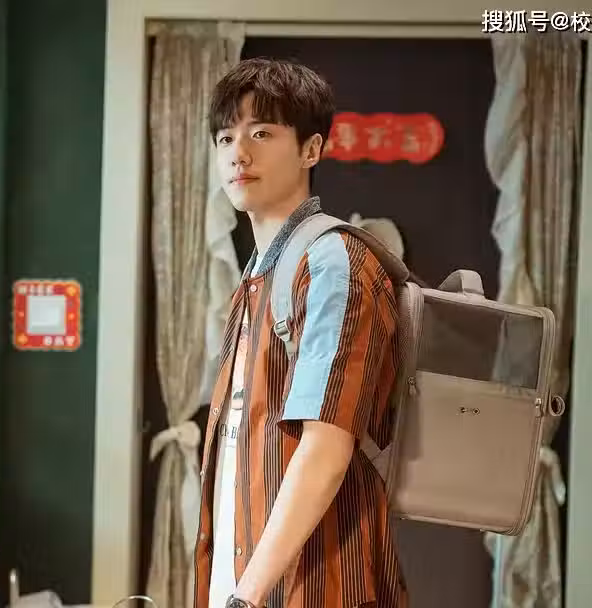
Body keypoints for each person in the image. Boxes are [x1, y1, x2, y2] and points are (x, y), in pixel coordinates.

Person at [194, 58, 408, 608]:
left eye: (262, 133)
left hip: (316, 588)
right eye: (225, 138)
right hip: (248, 583)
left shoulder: (333, 263)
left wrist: (246, 596)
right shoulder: (259, 274)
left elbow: (325, 449)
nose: (238, 153)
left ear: (311, 150)